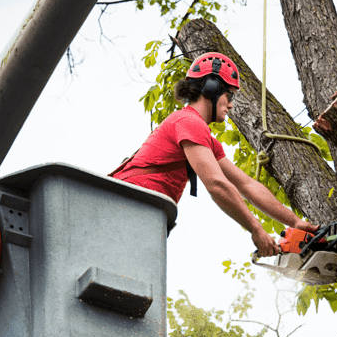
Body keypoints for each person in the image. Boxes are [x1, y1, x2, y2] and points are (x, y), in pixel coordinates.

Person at [112, 52, 317, 257]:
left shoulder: (203, 137)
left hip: (140, 211)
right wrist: (256, 229)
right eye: (230, 96)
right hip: (124, 206)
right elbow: (216, 184)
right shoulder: (189, 122)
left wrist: (295, 222)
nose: (231, 105)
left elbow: (247, 184)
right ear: (212, 88)